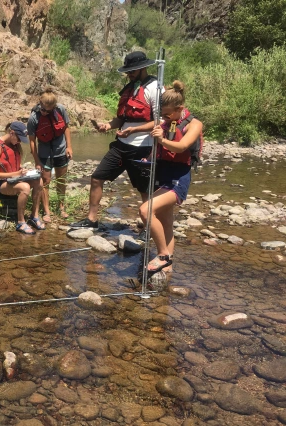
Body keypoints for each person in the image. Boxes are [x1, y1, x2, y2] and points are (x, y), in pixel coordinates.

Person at [71, 51, 161, 229]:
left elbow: (160, 122)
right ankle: (92, 219)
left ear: (142, 68)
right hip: (121, 145)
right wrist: (107, 125)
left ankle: (150, 228)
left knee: (145, 189)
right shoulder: (129, 88)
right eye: (128, 71)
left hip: (143, 147)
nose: (129, 74)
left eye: (132, 71)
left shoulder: (155, 88)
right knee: (97, 177)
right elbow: (122, 118)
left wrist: (134, 130)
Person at [139, 80, 203, 274]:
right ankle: (168, 269)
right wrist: (148, 156)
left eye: (167, 114)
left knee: (145, 211)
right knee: (166, 221)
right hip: (163, 173)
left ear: (180, 109)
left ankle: (162, 256)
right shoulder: (167, 122)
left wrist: (162, 139)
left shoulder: (194, 124)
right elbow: (159, 146)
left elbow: (182, 146)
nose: (164, 118)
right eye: (162, 114)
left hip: (179, 177)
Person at [0, 122, 45, 235]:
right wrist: (17, 173)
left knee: (39, 181)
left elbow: (12, 165)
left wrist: (23, 171)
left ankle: (34, 216)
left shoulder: (14, 145)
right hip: (1, 183)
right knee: (25, 187)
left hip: (14, 178)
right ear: (12, 133)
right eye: (19, 139)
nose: (19, 142)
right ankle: (21, 222)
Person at [27, 88, 72, 223]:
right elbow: (32, 141)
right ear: (40, 103)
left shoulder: (60, 110)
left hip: (60, 148)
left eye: (48, 110)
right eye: (42, 108)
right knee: (46, 181)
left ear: (54, 107)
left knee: (61, 179)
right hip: (44, 150)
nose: (44, 112)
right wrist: (36, 160)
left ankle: (61, 207)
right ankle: (47, 211)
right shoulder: (33, 117)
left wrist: (69, 146)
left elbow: (66, 128)